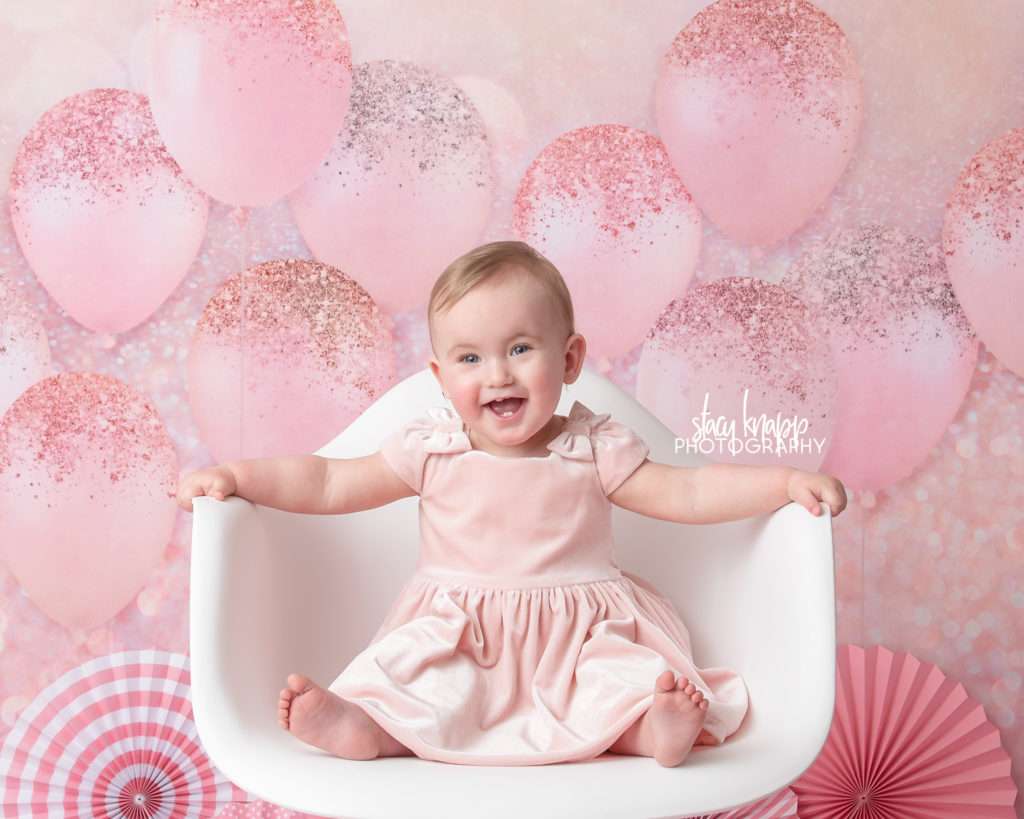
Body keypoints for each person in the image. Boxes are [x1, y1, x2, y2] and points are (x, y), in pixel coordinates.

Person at [177, 240, 847, 768]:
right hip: (461, 633)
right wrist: (239, 477)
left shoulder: (592, 446)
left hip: (581, 630)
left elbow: (688, 488)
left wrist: (782, 483)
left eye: (521, 348)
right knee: (418, 682)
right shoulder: (433, 447)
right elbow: (327, 482)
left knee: (620, 679)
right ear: (440, 378)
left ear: (571, 356)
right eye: (470, 357)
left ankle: (655, 729)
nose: (497, 373)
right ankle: (365, 727)